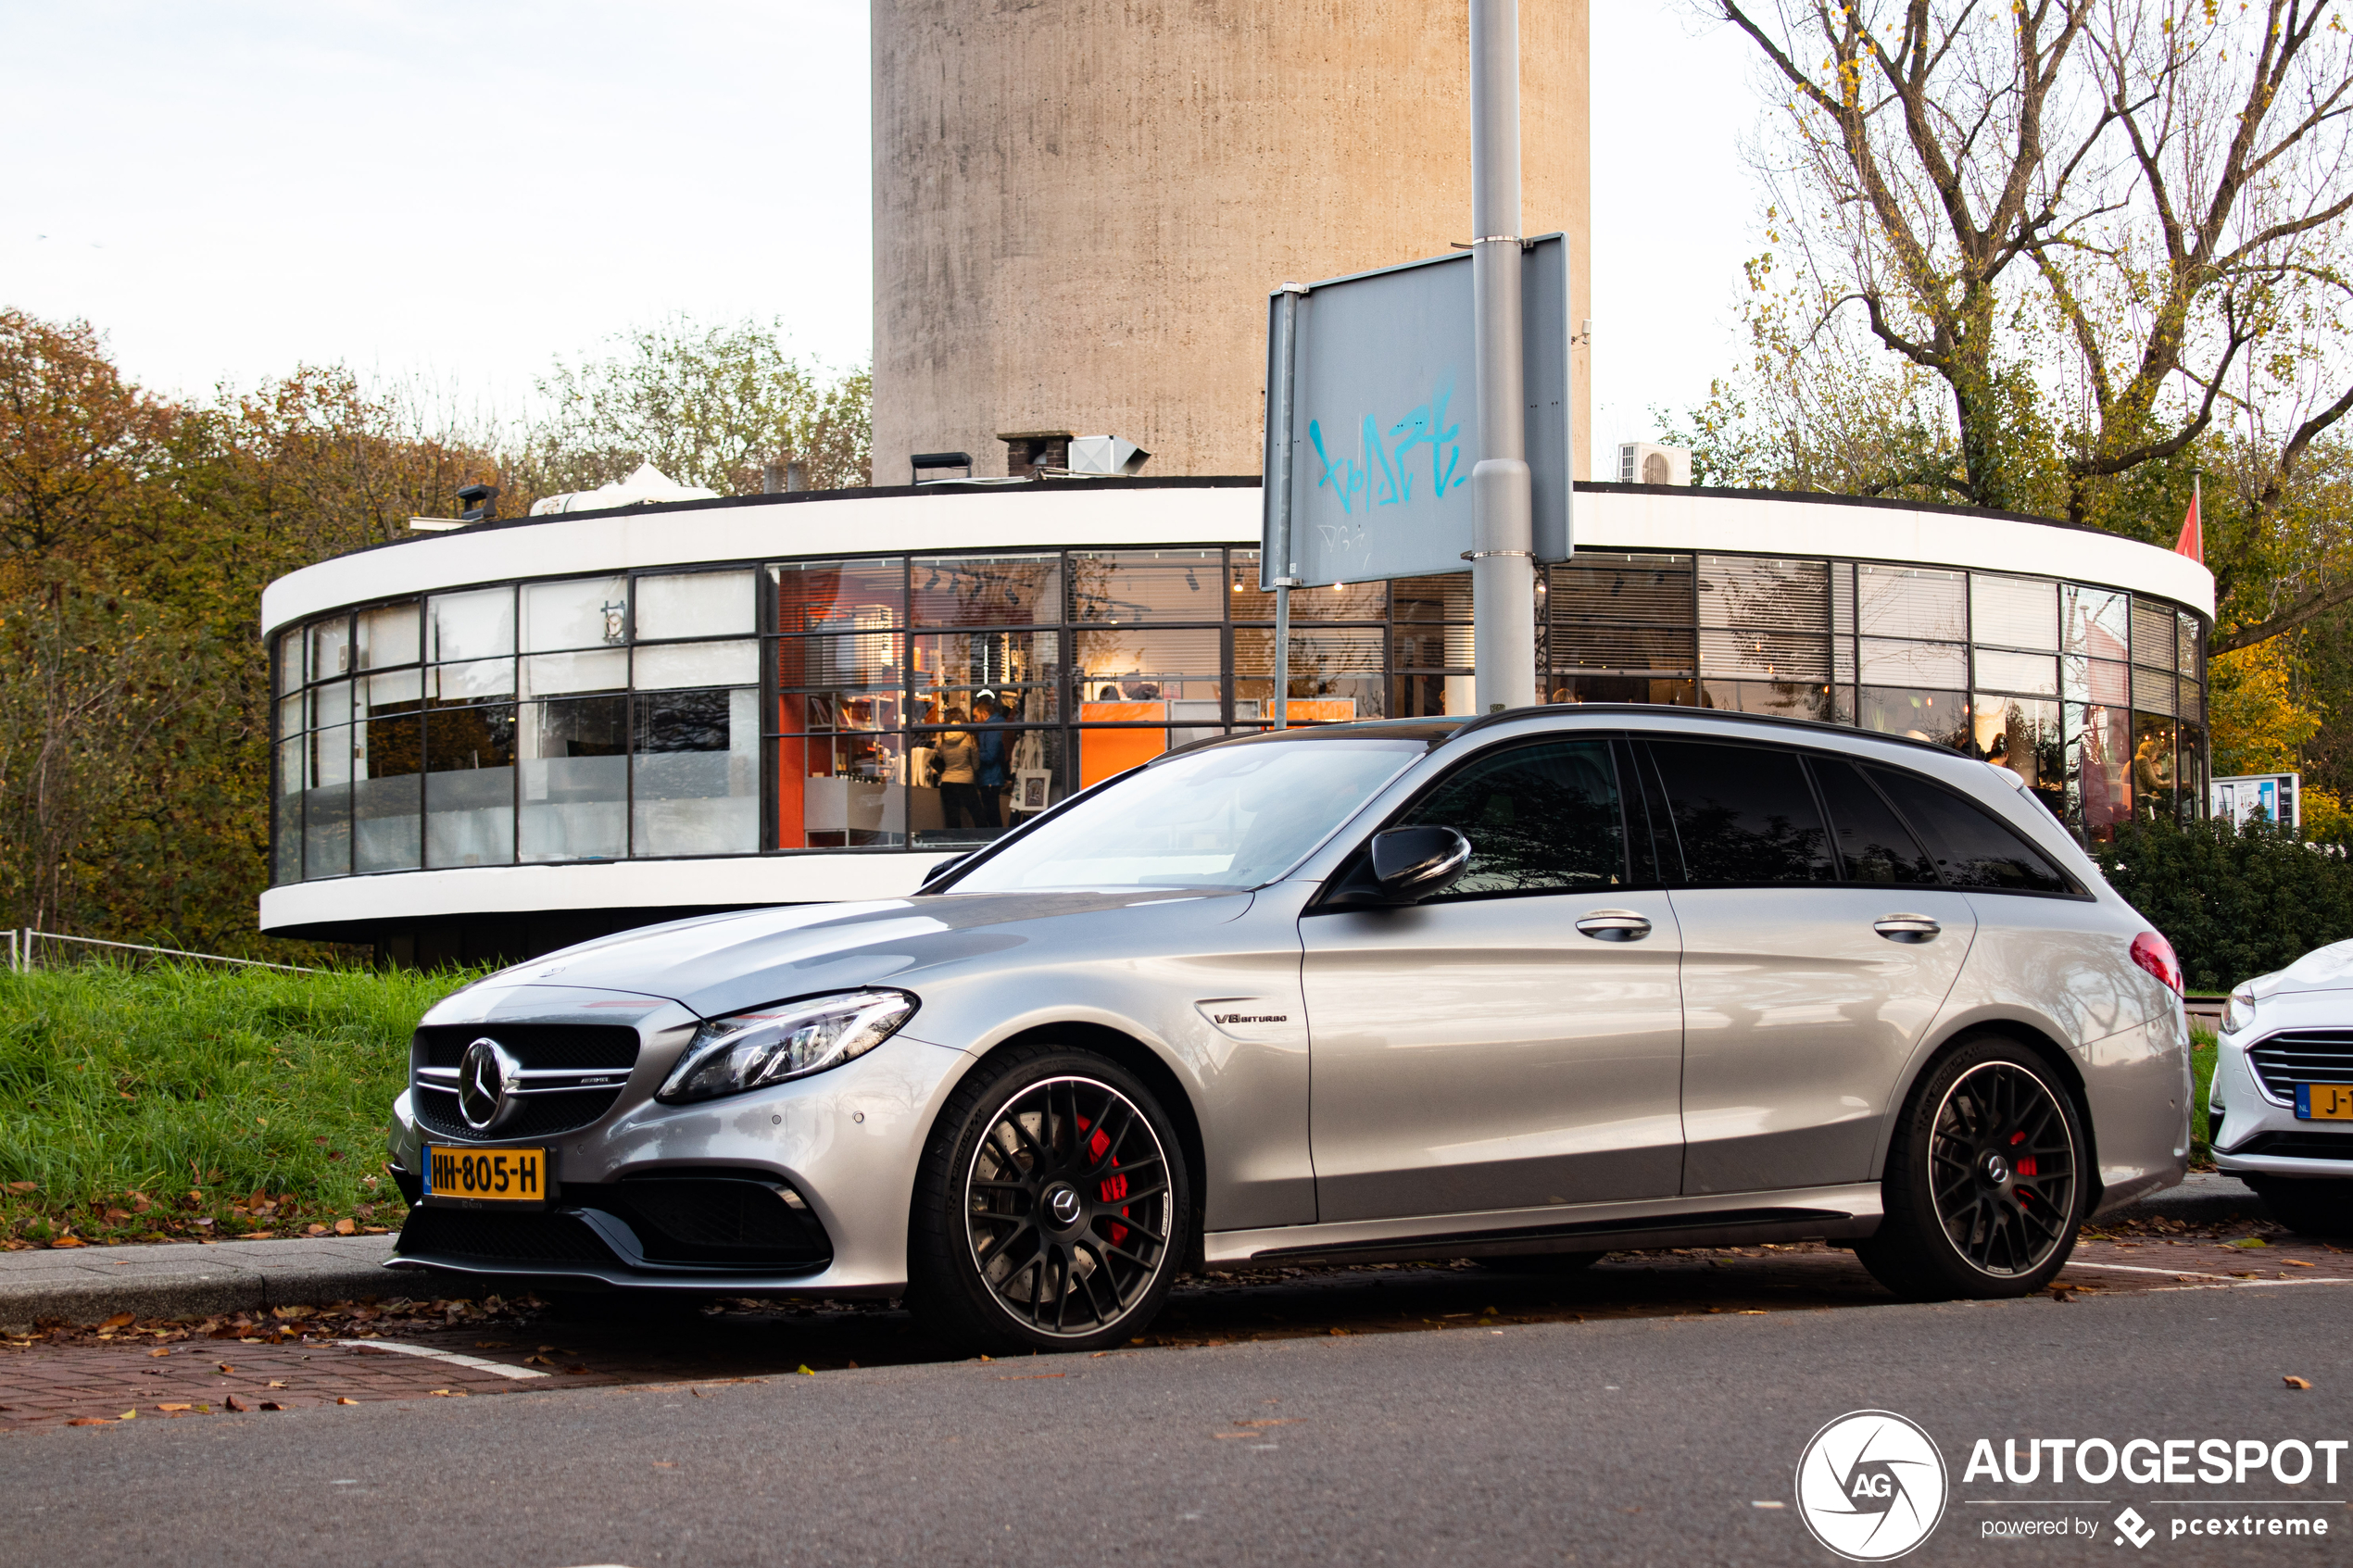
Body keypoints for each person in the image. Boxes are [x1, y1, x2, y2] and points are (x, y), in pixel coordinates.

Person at [933, 709, 984, 832]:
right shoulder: (969, 739)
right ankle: (984, 842)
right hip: (966, 781)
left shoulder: (942, 740)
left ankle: (953, 845)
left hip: (947, 782)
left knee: (952, 821)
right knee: (979, 818)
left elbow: (936, 758)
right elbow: (976, 765)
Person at [971, 694, 1008, 830]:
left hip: (990, 778)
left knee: (992, 814)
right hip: (991, 777)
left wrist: (974, 754)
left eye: (976, 716)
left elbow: (991, 755)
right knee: (991, 813)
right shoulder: (992, 726)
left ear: (985, 714)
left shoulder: (991, 728)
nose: (974, 720)